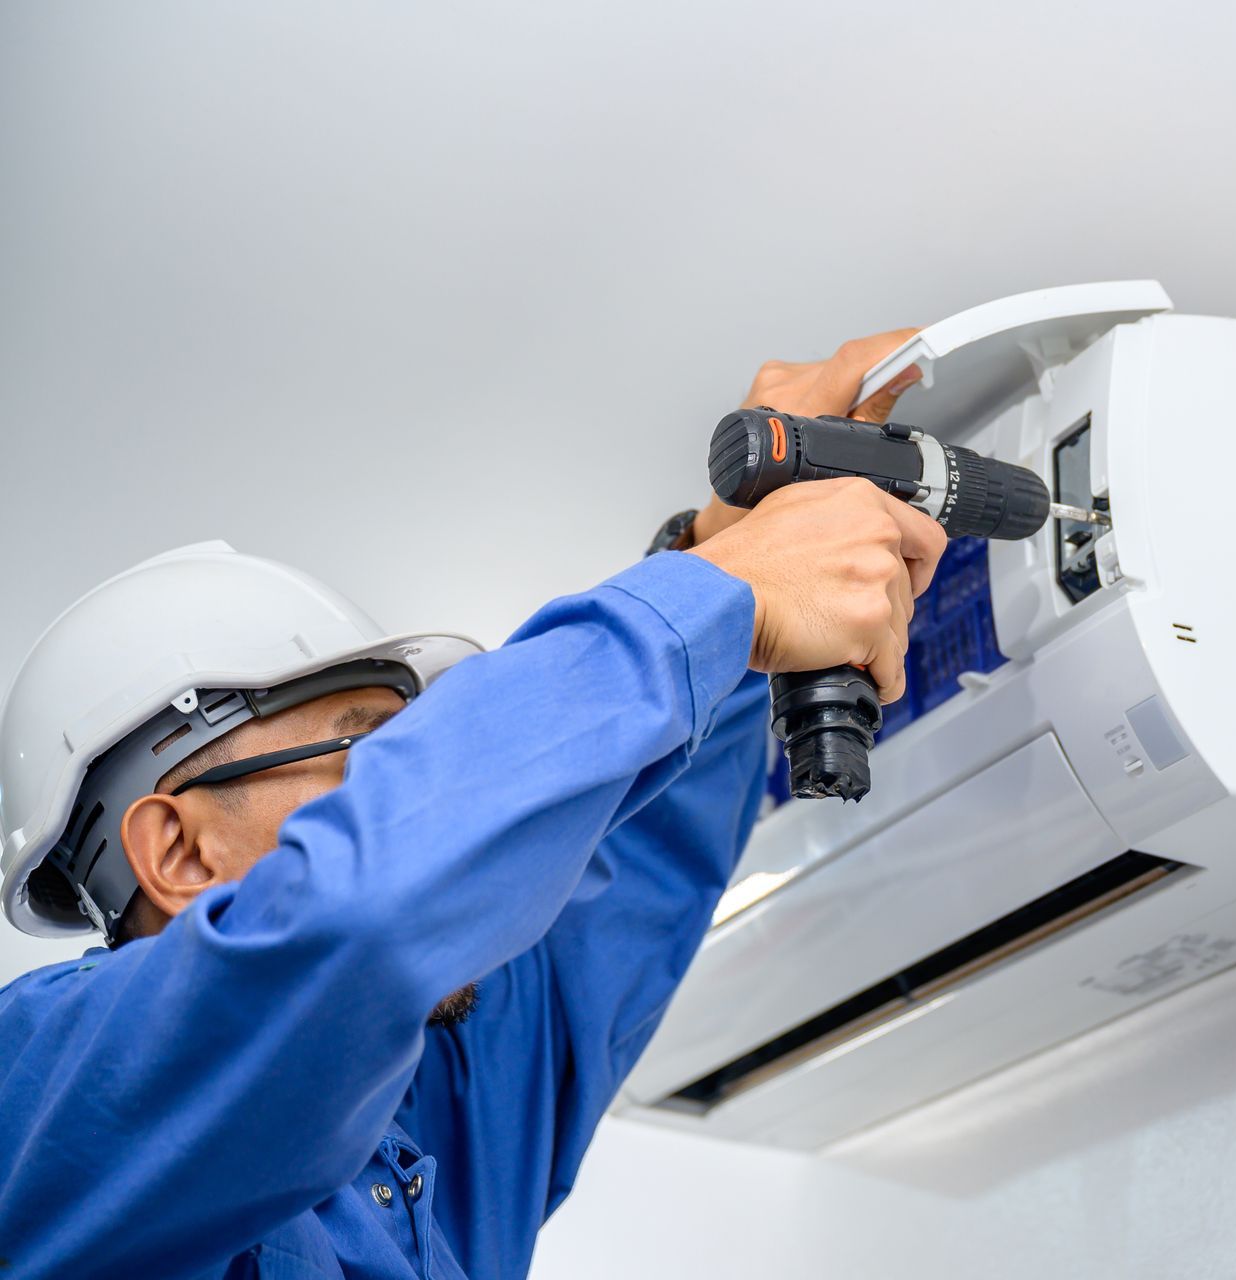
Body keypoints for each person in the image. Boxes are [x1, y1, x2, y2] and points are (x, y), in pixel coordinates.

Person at [0, 331, 944, 1280]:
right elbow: (349, 925)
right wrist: (718, 593)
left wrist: (731, 573)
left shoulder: (418, 1144)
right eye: (376, 754)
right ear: (180, 853)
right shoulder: (39, 1091)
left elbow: (610, 899)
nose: (420, 790)